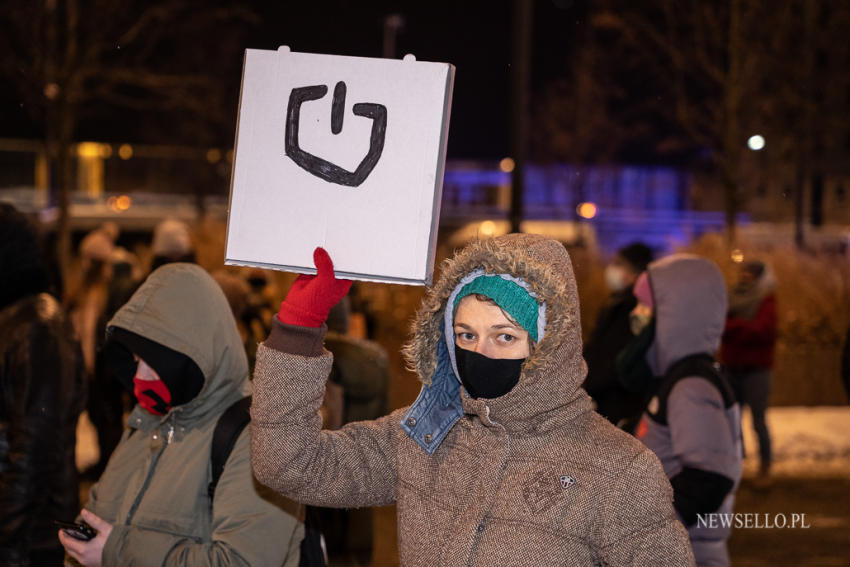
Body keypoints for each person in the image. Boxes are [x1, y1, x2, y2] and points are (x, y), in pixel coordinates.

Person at [251, 235, 695, 566]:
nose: (480, 352)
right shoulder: (426, 433)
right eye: (466, 335)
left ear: (548, 344)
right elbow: (290, 463)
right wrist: (298, 328)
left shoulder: (619, 470)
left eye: (505, 336)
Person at [59, 263, 303, 566]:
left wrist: (117, 553)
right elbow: (100, 520)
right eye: (134, 361)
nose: (140, 377)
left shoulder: (258, 438)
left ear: (189, 357)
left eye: (152, 362)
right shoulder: (146, 422)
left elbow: (241, 560)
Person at [628, 255, 742, 567]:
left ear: (674, 315)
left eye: (645, 307)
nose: (636, 315)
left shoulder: (691, 385)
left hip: (688, 552)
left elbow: (710, 475)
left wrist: (654, 526)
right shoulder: (679, 378)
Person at [0, 203, 85, 566]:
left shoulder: (38, 325)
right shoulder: (14, 317)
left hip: (29, 535)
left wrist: (6, 538)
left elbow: (34, 447)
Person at [583, 242, 653, 430]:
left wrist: (589, 385)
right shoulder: (617, 303)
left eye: (619, 264)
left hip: (616, 402)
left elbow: (612, 356)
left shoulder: (631, 308)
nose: (612, 269)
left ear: (635, 272)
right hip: (609, 398)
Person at [720, 260, 777, 482]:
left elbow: (763, 331)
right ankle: (737, 466)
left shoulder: (766, 298)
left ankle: (765, 466)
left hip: (757, 370)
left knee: (758, 420)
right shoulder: (731, 295)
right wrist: (744, 325)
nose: (745, 276)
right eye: (743, 271)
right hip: (732, 367)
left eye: (750, 273)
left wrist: (735, 326)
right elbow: (721, 327)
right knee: (733, 421)